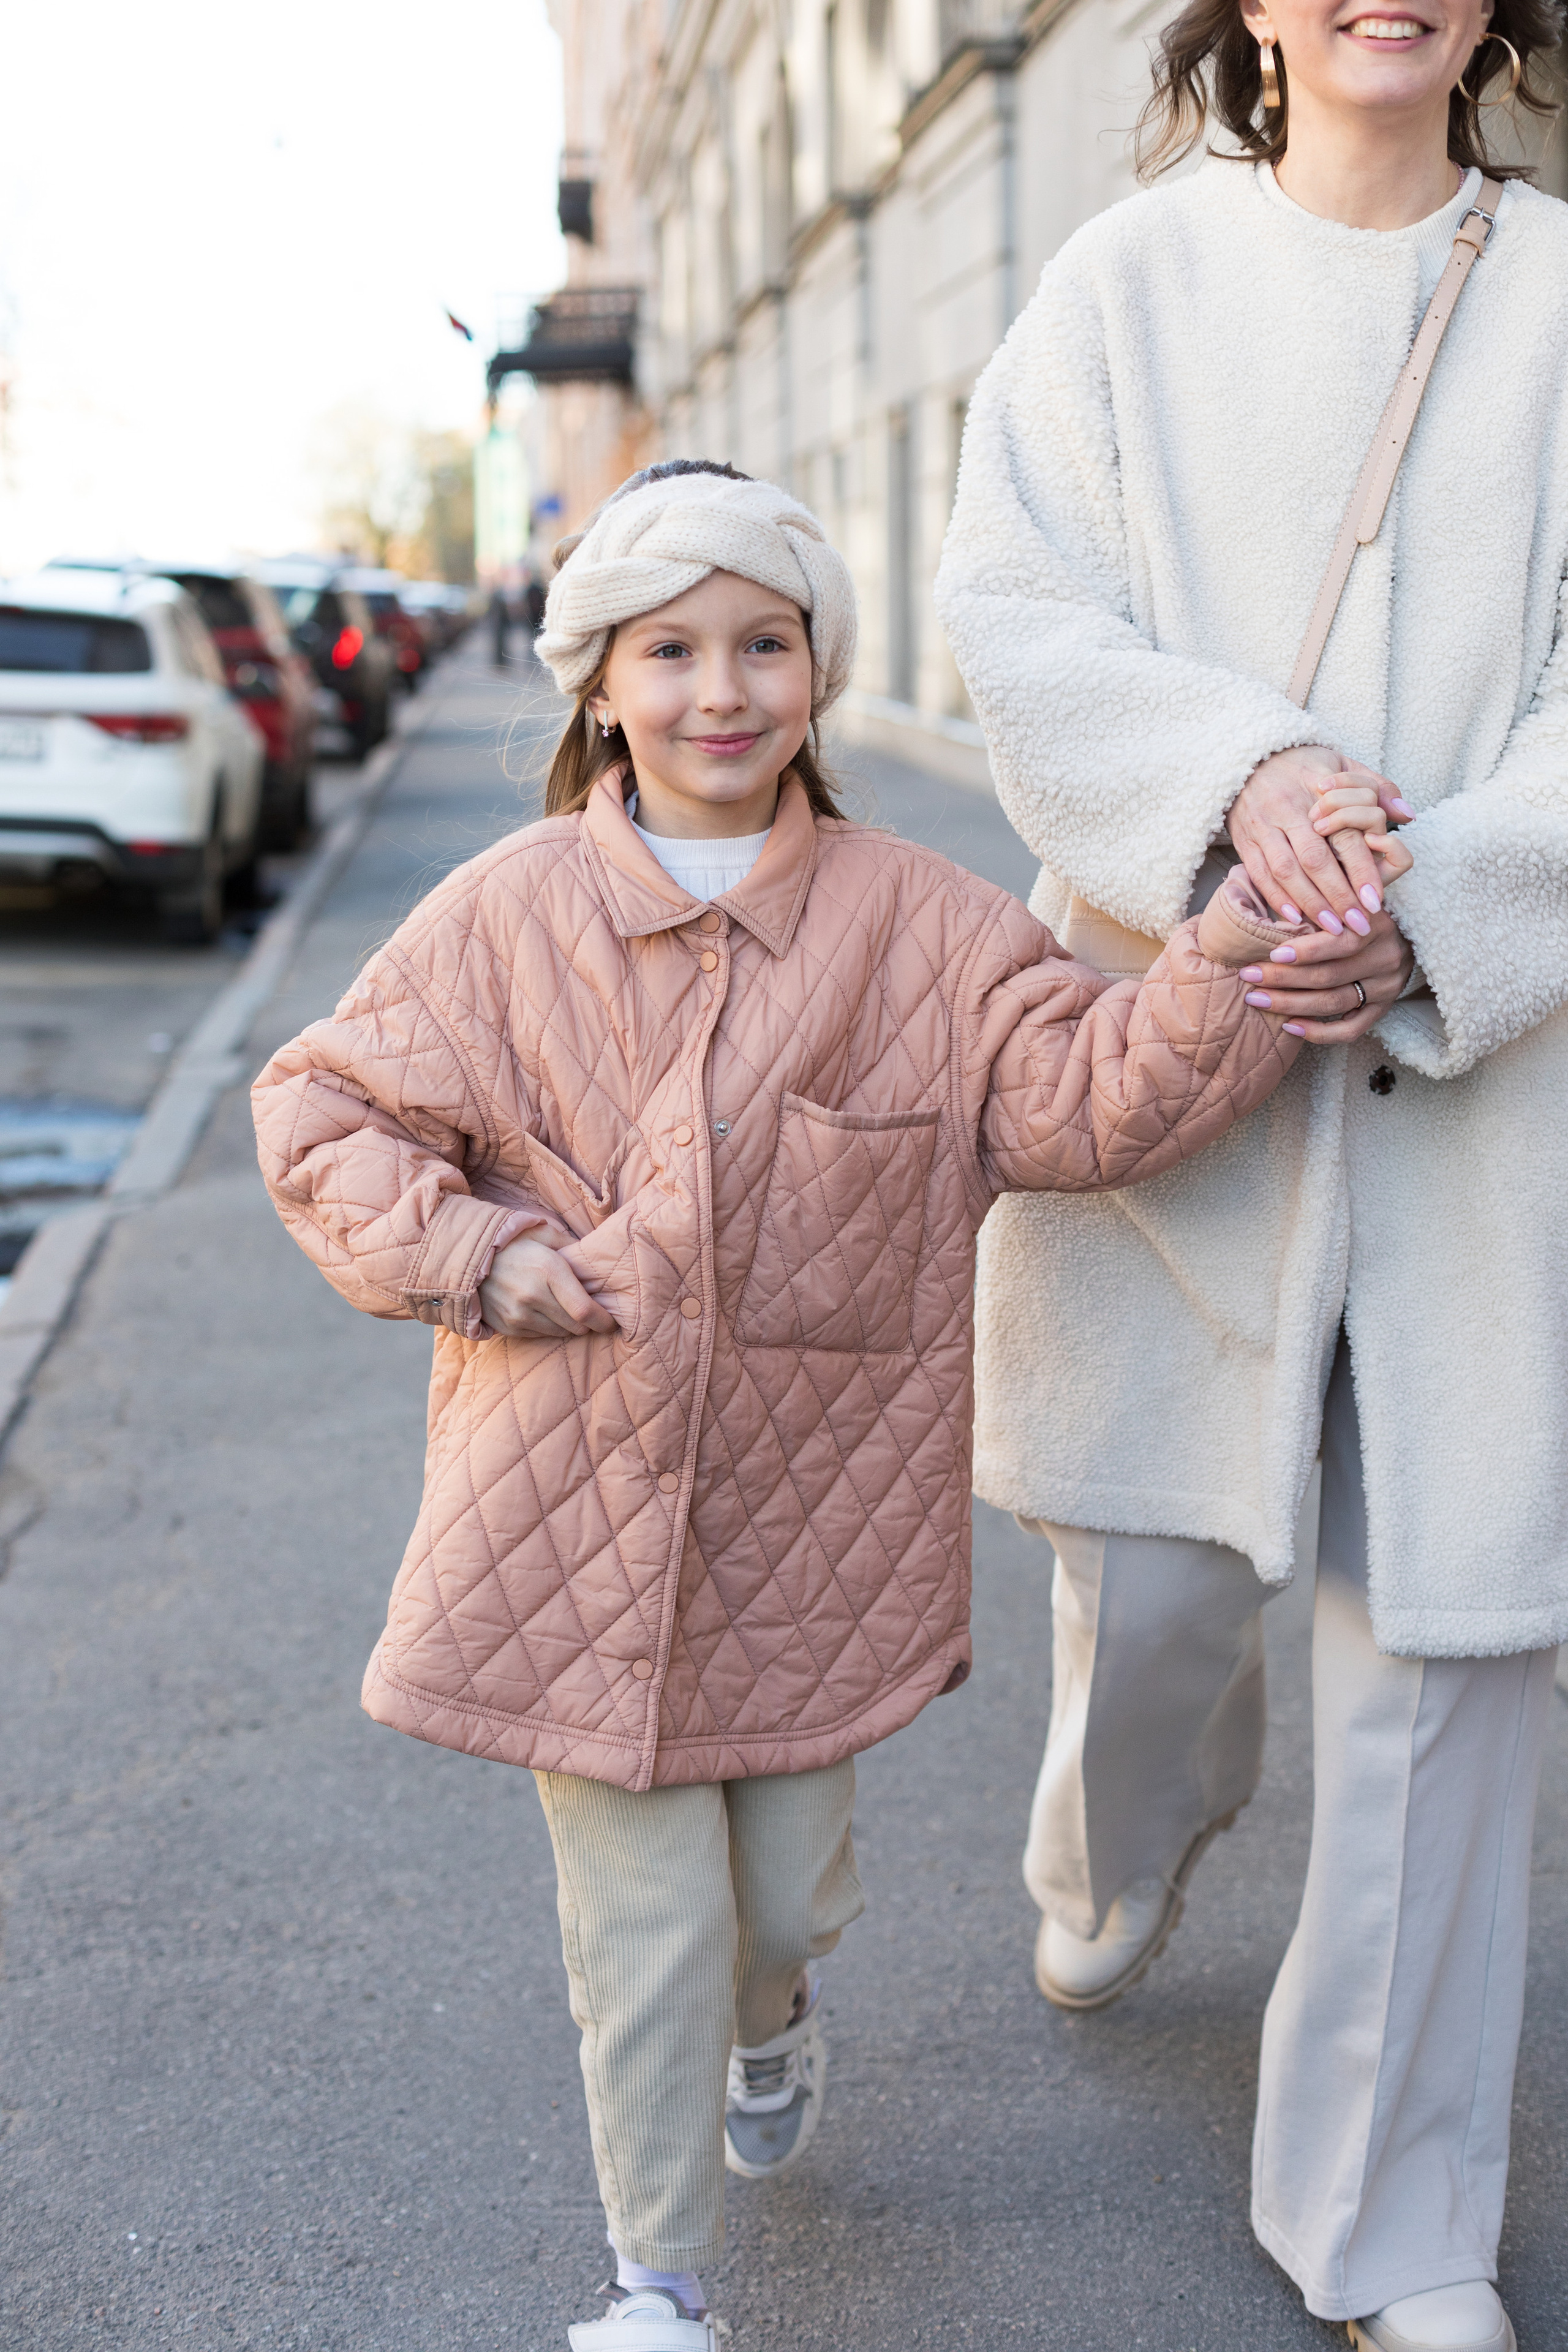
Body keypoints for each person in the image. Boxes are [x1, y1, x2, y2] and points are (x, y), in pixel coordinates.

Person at [250, 459, 1350, 2350]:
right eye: (670, 650)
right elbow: (321, 1109)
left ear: (819, 673)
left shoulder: (917, 928)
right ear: (603, 682)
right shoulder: (502, 917)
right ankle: (656, 2280)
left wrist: (1226, 969)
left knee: (776, 1903)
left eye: (765, 643)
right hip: (563, 1521)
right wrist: (474, 1252)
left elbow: (1074, 1102)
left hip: (811, 1538)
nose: (721, 690)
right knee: (645, 1930)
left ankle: (778, 2018)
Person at [935, 2, 1568, 2347]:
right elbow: (1015, 614)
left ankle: (1398, 2233)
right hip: (1180, 1050)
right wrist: (1247, 782)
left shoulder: (1565, 297)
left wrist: (1450, 898)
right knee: (1166, 1579)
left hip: (1492, 1090)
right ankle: (1124, 1829)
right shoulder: (1123, 286)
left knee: (1444, 1653)